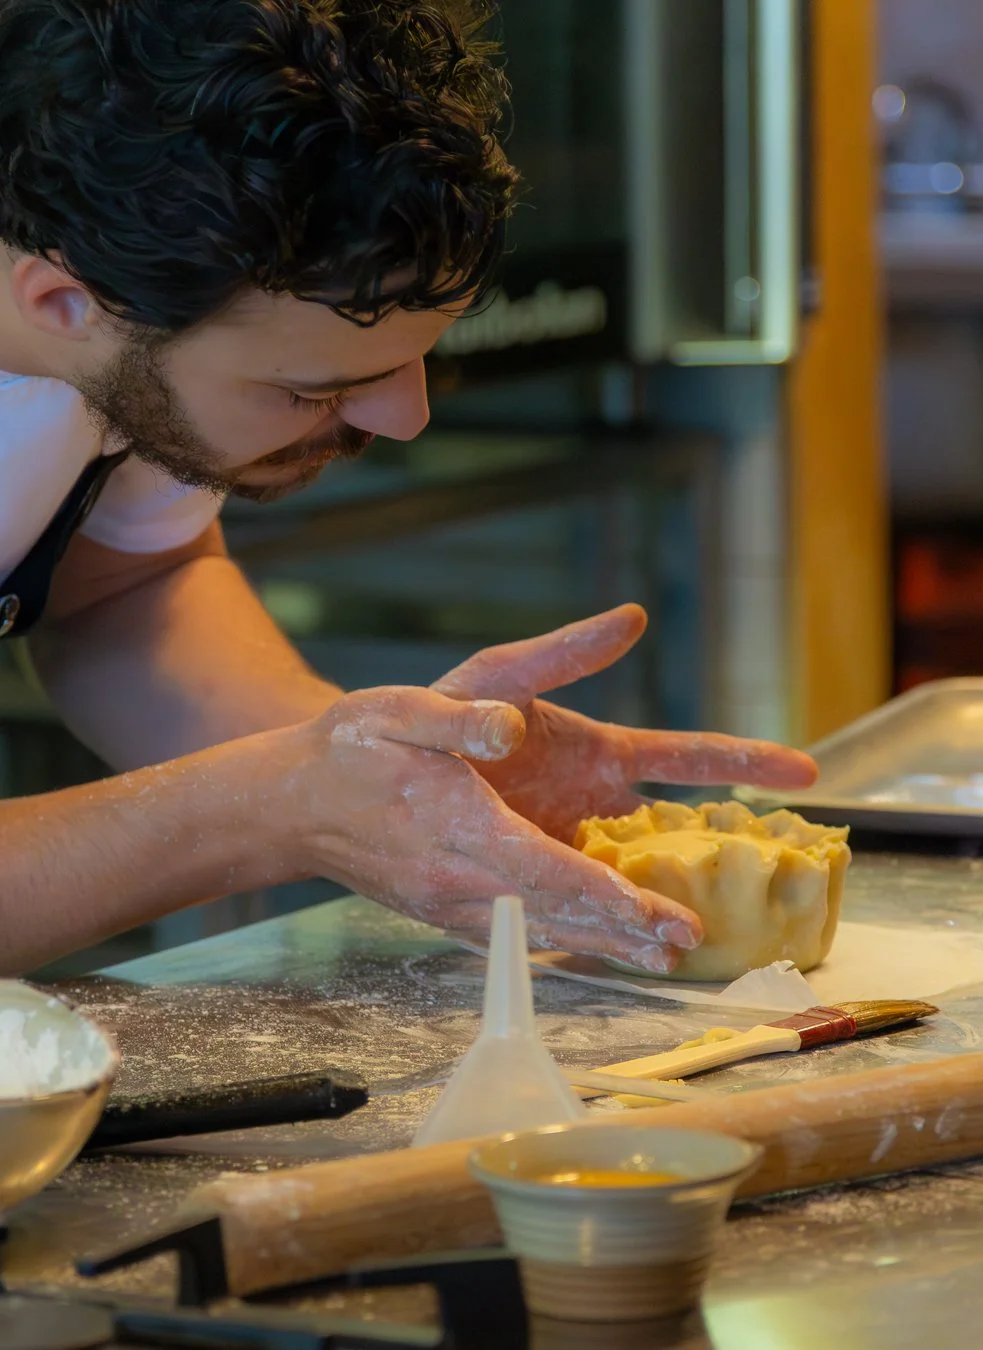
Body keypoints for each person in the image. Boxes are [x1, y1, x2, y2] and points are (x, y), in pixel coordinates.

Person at [0, 0, 816, 977]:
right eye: (315, 389)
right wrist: (271, 812)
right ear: (60, 302)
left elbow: (121, 589)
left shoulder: (111, 303)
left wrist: (389, 772)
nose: (404, 420)